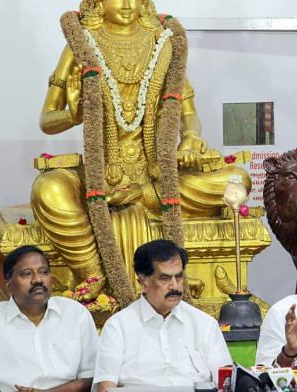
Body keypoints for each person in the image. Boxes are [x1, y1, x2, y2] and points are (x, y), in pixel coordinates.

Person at [31, 0, 250, 303]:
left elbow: (189, 114)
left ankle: (141, 201)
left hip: (157, 178)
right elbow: (47, 119)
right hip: (100, 177)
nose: (127, 4)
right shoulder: (80, 44)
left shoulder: (163, 44)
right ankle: (94, 271)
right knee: (48, 189)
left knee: (237, 181)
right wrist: (75, 113)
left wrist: (189, 139)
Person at [93, 240, 231, 391]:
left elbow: (226, 382)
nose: (175, 286)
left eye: (178, 277)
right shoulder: (118, 326)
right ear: (143, 282)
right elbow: (105, 387)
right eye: (165, 278)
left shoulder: (204, 324)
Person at [0, 246, 98, 392]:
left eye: (44, 272)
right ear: (9, 286)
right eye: (26, 274)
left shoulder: (75, 314)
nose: (38, 280)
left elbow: (94, 378)